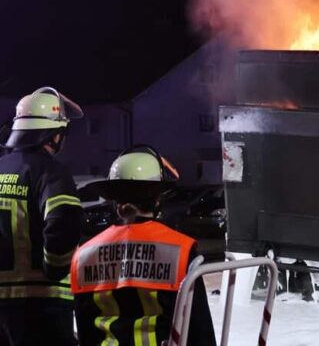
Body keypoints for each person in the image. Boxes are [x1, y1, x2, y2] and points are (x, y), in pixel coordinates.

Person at [70, 146, 216, 346]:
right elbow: (199, 330)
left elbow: (86, 328)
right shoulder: (180, 249)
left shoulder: (84, 254)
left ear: (115, 200)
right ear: (157, 200)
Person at [0, 87, 84, 345]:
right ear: (54, 135)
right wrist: (55, 267)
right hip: (41, 306)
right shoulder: (51, 173)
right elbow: (62, 220)